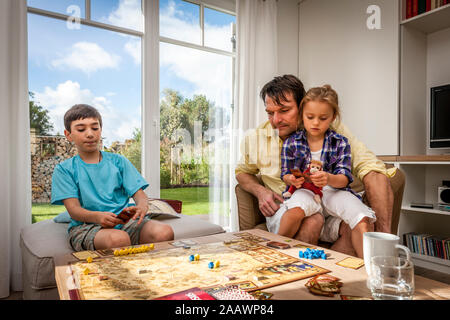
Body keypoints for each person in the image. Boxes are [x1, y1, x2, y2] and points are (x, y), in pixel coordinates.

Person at [235, 75, 396, 256]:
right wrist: (260, 192)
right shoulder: (257, 137)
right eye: (270, 113)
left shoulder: (329, 129)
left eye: (284, 110)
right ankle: (292, 269)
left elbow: (371, 168)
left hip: (326, 200)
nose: (276, 120)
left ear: (302, 105)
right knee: (313, 219)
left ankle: (340, 276)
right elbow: (242, 172)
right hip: (288, 206)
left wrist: (384, 240)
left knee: (359, 222)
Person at [51, 104, 174, 251]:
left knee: (164, 232)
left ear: (100, 130)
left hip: (125, 223)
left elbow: (140, 195)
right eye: (81, 129)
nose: (90, 134)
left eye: (95, 128)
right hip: (87, 226)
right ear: (68, 134)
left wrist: (142, 206)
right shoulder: (64, 170)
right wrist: (98, 217)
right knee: (118, 239)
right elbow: (74, 211)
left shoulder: (119, 161)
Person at [278, 85, 376, 258]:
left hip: (334, 190)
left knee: (361, 217)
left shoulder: (341, 142)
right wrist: (292, 180)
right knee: (295, 210)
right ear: (302, 115)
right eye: (310, 117)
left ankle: (369, 271)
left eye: (323, 118)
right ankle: (276, 248)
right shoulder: (292, 142)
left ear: (333, 117)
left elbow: (344, 178)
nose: (316, 122)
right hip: (304, 190)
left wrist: (329, 178)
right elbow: (285, 174)